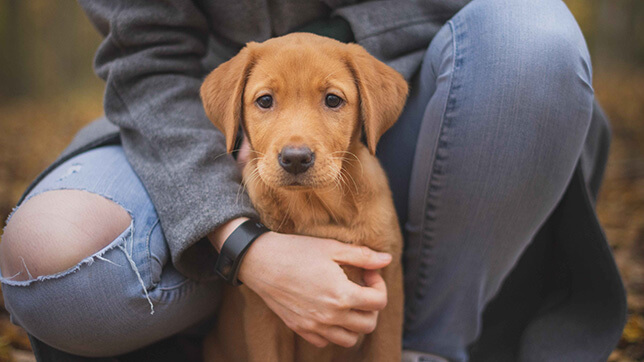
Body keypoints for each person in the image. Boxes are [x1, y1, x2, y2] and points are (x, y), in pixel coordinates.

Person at [0, 0, 626, 361]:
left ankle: (432, 347)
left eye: (328, 99)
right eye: (268, 100)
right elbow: (144, 59)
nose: (297, 136)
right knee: (49, 264)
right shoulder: (232, 99)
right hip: (185, 133)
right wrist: (242, 245)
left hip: (423, 96)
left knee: (534, 30)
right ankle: (195, 318)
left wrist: (338, 57)